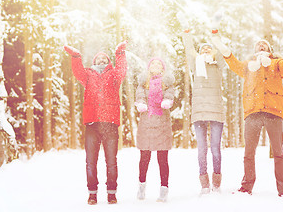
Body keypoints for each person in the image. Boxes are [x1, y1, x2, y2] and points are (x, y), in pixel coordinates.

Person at [211, 30, 283, 198]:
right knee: (249, 153)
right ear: (255, 50)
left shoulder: (276, 63)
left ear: (269, 49)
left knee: (278, 152)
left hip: (273, 112)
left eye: (264, 44)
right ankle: (246, 186)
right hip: (252, 112)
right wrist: (222, 47)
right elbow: (233, 63)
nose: (261, 45)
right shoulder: (248, 66)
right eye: (258, 45)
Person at [63, 41, 127, 205]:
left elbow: (121, 70)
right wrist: (76, 56)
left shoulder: (113, 75)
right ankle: (92, 193)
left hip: (110, 123)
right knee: (91, 162)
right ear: (93, 62)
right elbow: (77, 72)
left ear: (108, 62)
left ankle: (112, 193)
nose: (101, 61)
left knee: (111, 162)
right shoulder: (88, 75)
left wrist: (119, 54)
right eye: (98, 59)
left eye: (104, 59)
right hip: (92, 124)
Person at [181, 29, 226, 194]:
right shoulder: (195, 65)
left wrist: (215, 36)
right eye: (202, 49)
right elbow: (189, 49)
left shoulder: (218, 65)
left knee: (215, 148)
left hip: (216, 110)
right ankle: (204, 184)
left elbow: (221, 51)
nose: (205, 50)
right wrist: (187, 34)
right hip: (199, 111)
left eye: (208, 48)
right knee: (202, 149)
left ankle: (217, 182)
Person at [134, 57, 175, 202]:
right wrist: (140, 103)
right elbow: (139, 96)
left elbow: (170, 94)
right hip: (146, 122)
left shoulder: (168, 83)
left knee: (162, 159)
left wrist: (168, 101)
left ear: (163, 68)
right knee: (144, 157)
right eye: (153, 63)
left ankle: (164, 189)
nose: (156, 65)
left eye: (159, 63)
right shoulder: (142, 83)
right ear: (149, 67)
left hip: (162, 124)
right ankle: (141, 187)